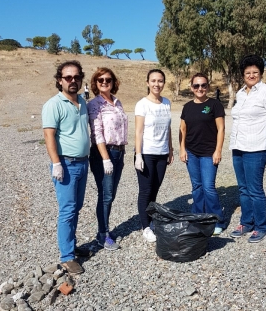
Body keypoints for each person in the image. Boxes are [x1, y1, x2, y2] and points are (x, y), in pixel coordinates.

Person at [42, 60, 90, 274]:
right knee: (67, 210)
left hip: (82, 163)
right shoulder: (54, 104)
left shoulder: (82, 101)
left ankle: (71, 245)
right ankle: (67, 257)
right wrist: (56, 163)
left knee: (76, 208)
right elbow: (48, 135)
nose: (73, 80)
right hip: (66, 165)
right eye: (68, 77)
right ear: (59, 80)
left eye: (76, 77)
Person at [230, 55, 266, 243]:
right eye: (247, 72)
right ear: (243, 75)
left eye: (255, 72)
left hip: (257, 148)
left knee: (255, 189)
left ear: (260, 73)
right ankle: (246, 222)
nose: (251, 75)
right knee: (243, 189)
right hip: (238, 147)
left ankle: (261, 227)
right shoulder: (240, 93)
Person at [180, 73, 226, 234]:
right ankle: (198, 217)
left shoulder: (214, 105)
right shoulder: (187, 107)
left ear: (208, 86)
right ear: (191, 87)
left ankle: (217, 220)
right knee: (197, 187)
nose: (200, 88)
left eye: (203, 85)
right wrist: (182, 149)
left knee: (209, 188)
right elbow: (183, 129)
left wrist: (218, 150)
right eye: (196, 85)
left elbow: (221, 129)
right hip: (191, 153)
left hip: (209, 153)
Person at [87, 67, 127, 250]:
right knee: (106, 195)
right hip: (104, 153)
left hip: (119, 152)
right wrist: (105, 158)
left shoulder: (117, 102)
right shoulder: (95, 104)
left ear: (113, 82)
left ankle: (104, 230)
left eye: (108, 79)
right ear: (95, 83)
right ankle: (102, 235)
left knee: (110, 195)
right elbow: (97, 133)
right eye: (100, 80)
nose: (104, 82)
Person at [135, 69, 173, 242]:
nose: (157, 84)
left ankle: (151, 221)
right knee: (145, 191)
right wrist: (138, 154)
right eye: (153, 81)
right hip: (147, 153)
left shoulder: (167, 103)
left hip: (162, 153)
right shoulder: (142, 104)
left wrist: (170, 150)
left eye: (160, 81)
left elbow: (168, 128)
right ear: (147, 83)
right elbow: (138, 131)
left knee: (155, 190)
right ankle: (145, 227)